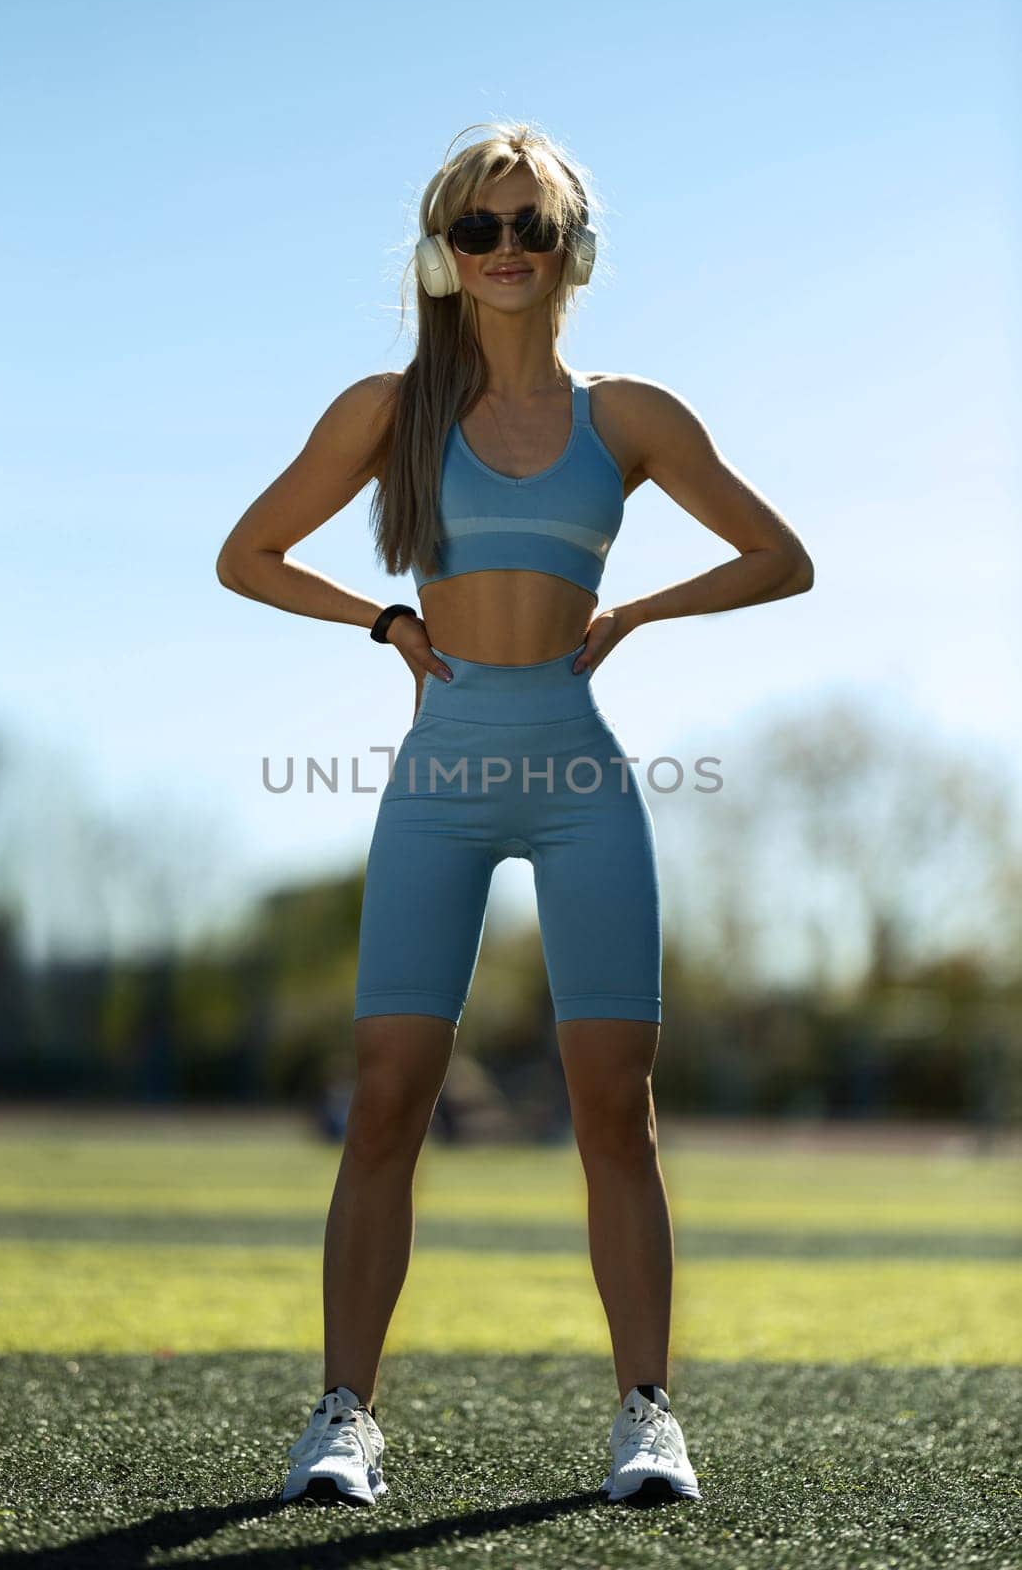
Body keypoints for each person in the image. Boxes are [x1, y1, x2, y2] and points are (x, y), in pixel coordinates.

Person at [216, 119, 814, 1509]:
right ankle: (344, 1415)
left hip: (579, 774)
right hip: (441, 779)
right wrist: (379, 619)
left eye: (529, 227)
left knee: (616, 1108)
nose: (502, 250)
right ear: (443, 246)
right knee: (385, 1100)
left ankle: (647, 1416)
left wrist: (639, 613)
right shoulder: (389, 408)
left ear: (571, 250)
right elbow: (247, 555)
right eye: (477, 227)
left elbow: (782, 558)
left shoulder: (634, 419)